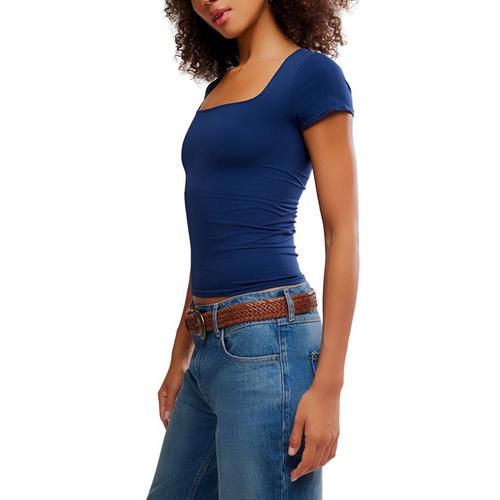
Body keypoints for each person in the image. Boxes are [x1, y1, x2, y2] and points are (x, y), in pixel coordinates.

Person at [146, 0, 358, 498]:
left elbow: (342, 232)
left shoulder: (313, 76)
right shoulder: (217, 89)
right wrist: (180, 355)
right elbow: (212, 236)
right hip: (207, 346)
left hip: (270, 345)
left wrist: (329, 387)